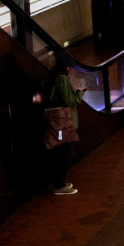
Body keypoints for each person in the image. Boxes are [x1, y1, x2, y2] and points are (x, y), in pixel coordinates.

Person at [47, 55, 84, 195]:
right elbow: (69, 101)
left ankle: (60, 182)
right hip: (63, 124)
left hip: (58, 123)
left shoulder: (53, 76)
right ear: (66, 67)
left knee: (62, 152)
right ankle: (60, 185)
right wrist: (79, 94)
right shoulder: (62, 79)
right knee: (65, 153)